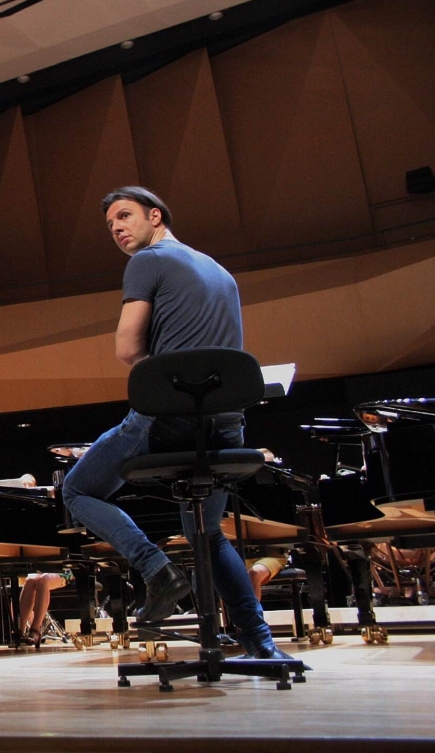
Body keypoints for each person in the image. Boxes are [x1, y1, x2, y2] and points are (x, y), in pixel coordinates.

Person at [60, 186, 288, 660]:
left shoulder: (148, 261)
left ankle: (156, 569)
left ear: (155, 216)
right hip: (226, 426)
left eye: (125, 216)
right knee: (208, 533)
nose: (117, 229)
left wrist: (167, 380)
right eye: (110, 225)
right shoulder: (220, 271)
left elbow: (127, 349)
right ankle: (260, 644)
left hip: (169, 420)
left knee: (77, 490)